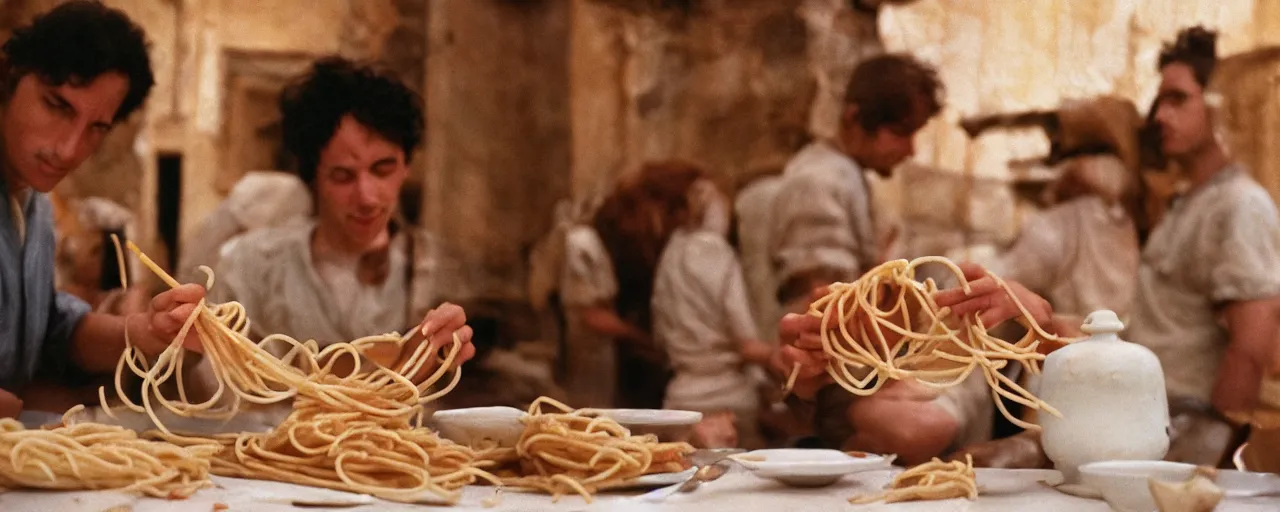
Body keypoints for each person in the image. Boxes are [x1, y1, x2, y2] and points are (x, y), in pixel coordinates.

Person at [955, 26, 1280, 468]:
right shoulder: (1184, 205)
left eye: (1178, 99)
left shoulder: (1240, 205)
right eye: (1159, 100)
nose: (1159, 116)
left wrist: (1206, 470)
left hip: (1173, 432)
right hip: (1129, 411)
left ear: (1220, 110)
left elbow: (1252, 345)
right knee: (980, 466)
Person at [766, 54, 994, 464]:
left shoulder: (845, 176)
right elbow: (823, 313)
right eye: (900, 132)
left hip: (857, 384)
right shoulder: (820, 182)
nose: (909, 150)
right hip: (834, 396)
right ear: (854, 119)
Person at [205, 57, 474, 383]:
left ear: (406, 166)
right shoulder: (251, 269)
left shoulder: (441, 274)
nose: (366, 197)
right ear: (312, 178)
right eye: (342, 176)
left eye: (383, 169)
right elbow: (214, 387)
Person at [0, 2, 208, 417]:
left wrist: (143, 332)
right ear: (7, 79)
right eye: (56, 107)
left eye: (96, 127)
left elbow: (51, 332)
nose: (69, 149)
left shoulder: (36, 210)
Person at [651, 167, 773, 448]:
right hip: (725, 398)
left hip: (680, 398)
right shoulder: (716, 251)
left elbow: (660, 334)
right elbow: (746, 341)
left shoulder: (670, 252)